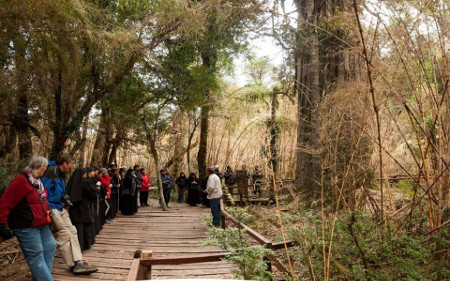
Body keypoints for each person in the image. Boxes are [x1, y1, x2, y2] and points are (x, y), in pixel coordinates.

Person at [0, 155, 57, 281]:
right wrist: (2, 223)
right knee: (36, 255)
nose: (45, 170)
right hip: (26, 226)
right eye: (44, 168)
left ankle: (42, 277)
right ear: (38, 167)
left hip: (42, 224)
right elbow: (5, 202)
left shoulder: (37, 182)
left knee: (50, 246)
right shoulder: (21, 181)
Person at [41, 154, 98, 275]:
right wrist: (47, 209)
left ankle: (78, 261)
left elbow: (59, 190)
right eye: (70, 163)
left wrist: (64, 198)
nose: (71, 165)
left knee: (72, 231)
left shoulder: (62, 174)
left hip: (60, 207)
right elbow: (43, 191)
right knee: (63, 234)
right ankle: (72, 264)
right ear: (64, 163)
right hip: (51, 208)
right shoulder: (51, 170)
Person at [66, 168, 96, 251]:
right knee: (84, 228)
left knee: (76, 228)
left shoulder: (71, 182)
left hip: (74, 209)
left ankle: (76, 246)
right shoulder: (85, 183)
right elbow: (92, 194)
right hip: (84, 208)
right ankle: (85, 245)